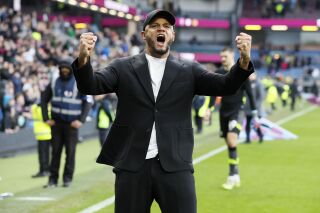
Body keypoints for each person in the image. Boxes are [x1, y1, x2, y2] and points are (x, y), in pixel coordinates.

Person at [72, 9, 254, 213]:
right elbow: (91, 86)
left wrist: (244, 61)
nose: (162, 29)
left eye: (167, 26)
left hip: (175, 165)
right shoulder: (122, 67)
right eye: (155, 26)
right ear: (143, 34)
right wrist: (83, 60)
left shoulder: (189, 70)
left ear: (173, 35)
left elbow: (226, 86)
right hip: (132, 166)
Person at [41, 61, 93, 188]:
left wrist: (81, 120)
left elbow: (88, 101)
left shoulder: (78, 82)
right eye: (62, 69)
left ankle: (67, 178)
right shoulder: (54, 82)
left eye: (67, 69)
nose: (64, 71)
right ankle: (53, 179)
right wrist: (46, 118)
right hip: (56, 124)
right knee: (55, 153)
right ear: (59, 70)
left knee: (70, 153)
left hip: (71, 125)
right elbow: (43, 100)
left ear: (71, 70)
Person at [215, 47, 257, 190]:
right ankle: (236, 174)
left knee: (232, 139)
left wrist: (255, 114)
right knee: (230, 145)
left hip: (237, 111)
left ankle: (232, 176)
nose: (222, 59)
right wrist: (208, 109)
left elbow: (250, 93)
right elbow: (212, 93)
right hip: (224, 113)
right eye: (221, 57)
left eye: (225, 56)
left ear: (231, 55)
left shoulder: (240, 72)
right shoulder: (219, 73)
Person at [31, 102, 51, 178]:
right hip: (44, 134)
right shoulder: (42, 108)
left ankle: (44, 170)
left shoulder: (39, 108)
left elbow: (42, 116)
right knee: (44, 154)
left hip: (44, 134)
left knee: (43, 154)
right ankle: (44, 170)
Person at [244, 73, 265, 143]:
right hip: (247, 108)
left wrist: (256, 106)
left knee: (256, 124)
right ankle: (247, 139)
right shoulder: (246, 84)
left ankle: (260, 136)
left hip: (256, 109)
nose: (250, 76)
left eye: (251, 75)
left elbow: (261, 96)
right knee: (247, 124)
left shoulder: (258, 84)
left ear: (255, 75)